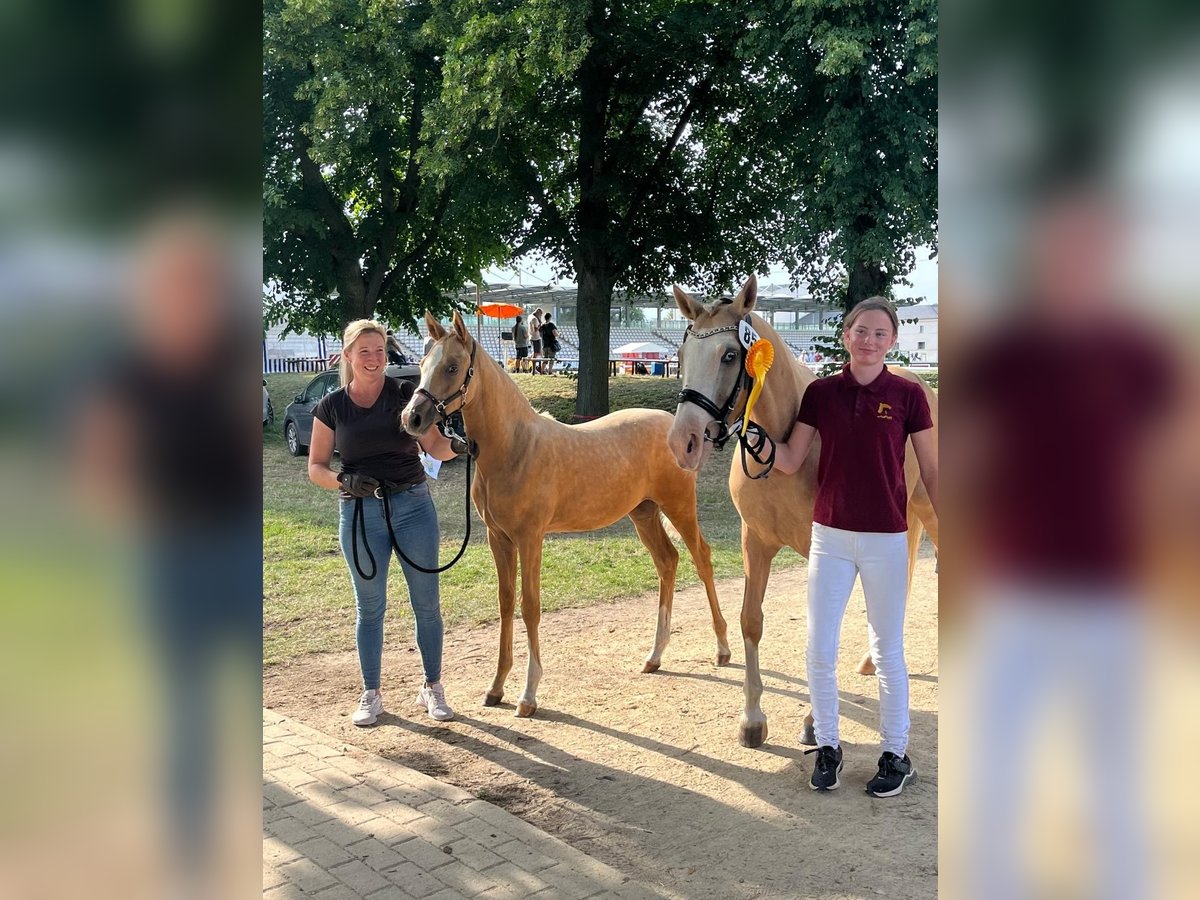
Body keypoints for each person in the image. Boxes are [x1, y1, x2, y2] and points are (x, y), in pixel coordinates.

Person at [772, 297, 938, 797]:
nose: (869, 340)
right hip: (830, 538)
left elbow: (933, 470)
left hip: (887, 538)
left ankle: (895, 753)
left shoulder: (908, 395)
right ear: (845, 335)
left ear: (893, 341)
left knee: (887, 651)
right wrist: (754, 438)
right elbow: (789, 459)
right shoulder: (821, 393)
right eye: (860, 331)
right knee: (819, 648)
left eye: (879, 333)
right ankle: (828, 746)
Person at [308, 320, 468, 726]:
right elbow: (316, 467)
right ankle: (371, 693)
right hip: (360, 514)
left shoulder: (404, 395)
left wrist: (460, 446)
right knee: (370, 608)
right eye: (364, 351)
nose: (374, 358)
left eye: (379, 350)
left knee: (427, 604)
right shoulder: (332, 407)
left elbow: (434, 445)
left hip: (413, 507)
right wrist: (343, 480)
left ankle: (432, 687)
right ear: (348, 356)